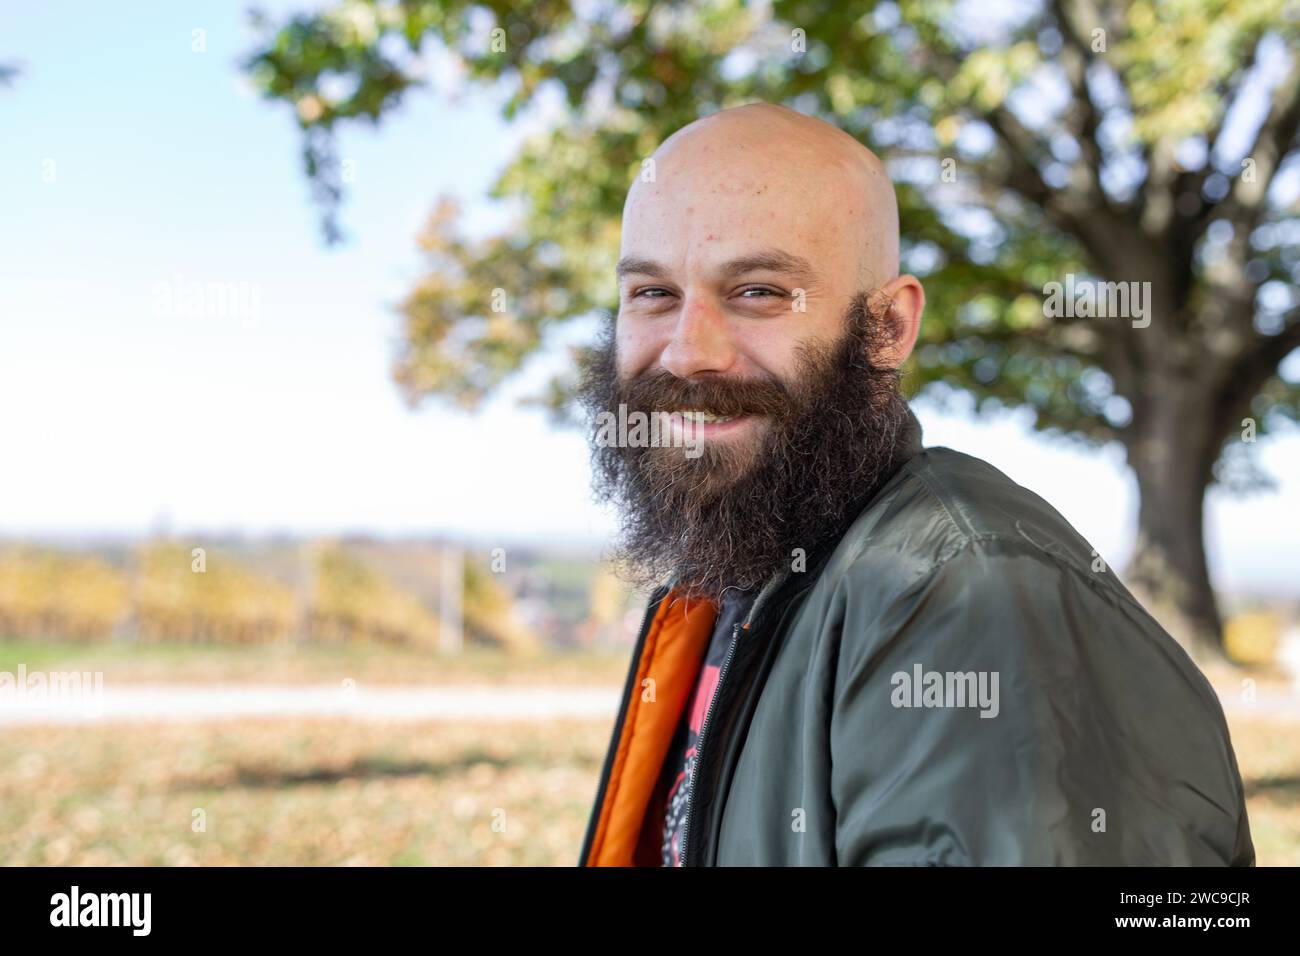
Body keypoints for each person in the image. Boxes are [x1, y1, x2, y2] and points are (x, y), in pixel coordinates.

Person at [576, 102, 1254, 866]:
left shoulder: (960, 594)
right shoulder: (740, 569)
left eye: (759, 291)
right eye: (653, 294)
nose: (686, 353)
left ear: (890, 327)